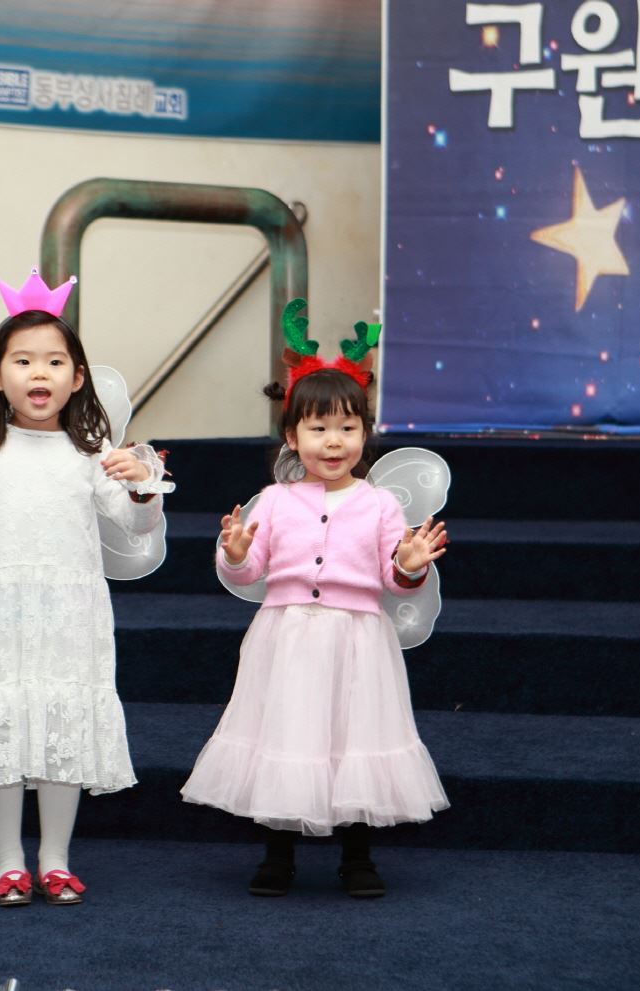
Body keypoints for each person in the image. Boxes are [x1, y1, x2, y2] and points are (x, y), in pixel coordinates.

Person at [0, 269, 171, 906]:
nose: (39, 373)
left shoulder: (91, 450)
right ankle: (7, 862)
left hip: (71, 609)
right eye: (23, 360)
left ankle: (55, 859)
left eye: (54, 361)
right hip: (3, 609)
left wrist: (141, 485)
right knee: (1, 721)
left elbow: (135, 522)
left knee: (63, 724)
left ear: (77, 377)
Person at [180, 300, 449, 898]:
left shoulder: (380, 504)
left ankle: (358, 855)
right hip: (288, 635)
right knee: (285, 735)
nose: (334, 442)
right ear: (292, 436)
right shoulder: (275, 500)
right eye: (319, 429)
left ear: (364, 434)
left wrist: (407, 567)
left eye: (347, 428)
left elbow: (394, 576)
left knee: (355, 739)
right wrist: (234, 552)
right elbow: (250, 569)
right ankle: (278, 854)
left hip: (356, 637)